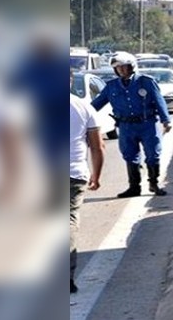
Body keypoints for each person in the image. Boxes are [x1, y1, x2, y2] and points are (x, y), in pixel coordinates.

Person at [92, 52, 171, 198]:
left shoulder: (146, 82)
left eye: (124, 67)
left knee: (153, 154)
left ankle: (154, 184)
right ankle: (134, 187)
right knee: (129, 156)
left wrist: (166, 119)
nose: (121, 70)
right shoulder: (111, 86)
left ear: (132, 66)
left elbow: (159, 101)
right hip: (126, 127)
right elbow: (95, 105)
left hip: (148, 124)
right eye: (118, 68)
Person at [70, 71, 105, 293]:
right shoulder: (83, 107)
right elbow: (97, 146)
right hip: (74, 174)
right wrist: (96, 175)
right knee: (69, 221)